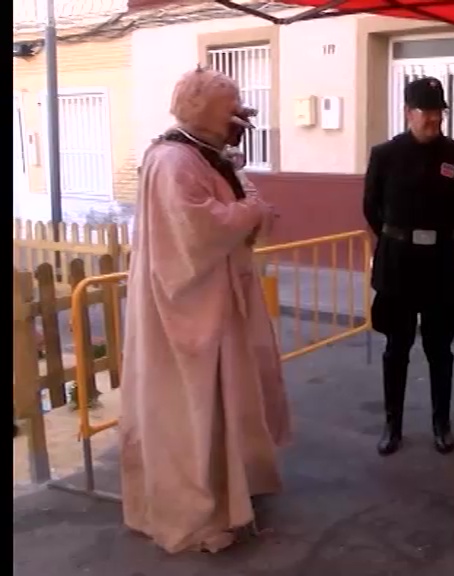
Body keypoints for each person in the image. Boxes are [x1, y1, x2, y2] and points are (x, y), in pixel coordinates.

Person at [120, 67, 290, 554]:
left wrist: (240, 178)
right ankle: (196, 512)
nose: (240, 112)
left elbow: (243, 201)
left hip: (220, 302)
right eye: (231, 104)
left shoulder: (206, 155)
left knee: (228, 403)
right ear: (206, 109)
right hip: (189, 310)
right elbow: (199, 229)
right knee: (193, 412)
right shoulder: (174, 160)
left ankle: (231, 496)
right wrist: (251, 210)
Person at [363, 76, 454, 457]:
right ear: (408, 112)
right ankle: (392, 423)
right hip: (398, 264)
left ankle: (440, 423)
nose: (433, 119)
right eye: (425, 111)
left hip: (441, 264)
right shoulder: (385, 155)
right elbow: (371, 208)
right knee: (396, 347)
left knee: (440, 348)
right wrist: (398, 241)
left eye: (438, 111)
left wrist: (445, 246)